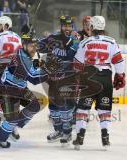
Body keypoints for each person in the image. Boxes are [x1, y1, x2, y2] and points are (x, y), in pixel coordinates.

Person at [0, 33, 59, 148]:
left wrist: (43, 65)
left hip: (18, 89)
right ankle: (1, 138)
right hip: (7, 91)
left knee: (35, 104)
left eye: (35, 46)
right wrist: (48, 70)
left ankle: (12, 125)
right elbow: (34, 78)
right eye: (31, 46)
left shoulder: (23, 53)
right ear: (24, 45)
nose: (34, 48)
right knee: (12, 119)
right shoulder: (22, 58)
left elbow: (33, 67)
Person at [72, 16, 125, 149]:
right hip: (105, 78)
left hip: (89, 77)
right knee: (104, 109)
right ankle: (105, 137)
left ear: (92, 27)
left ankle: (80, 136)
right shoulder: (112, 42)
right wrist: (120, 76)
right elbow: (119, 62)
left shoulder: (85, 42)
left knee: (83, 108)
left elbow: (77, 64)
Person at [38, 15, 79, 145]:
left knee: (65, 107)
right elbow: (40, 46)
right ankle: (59, 130)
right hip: (53, 78)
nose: (67, 28)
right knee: (53, 107)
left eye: (70, 26)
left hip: (68, 78)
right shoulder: (53, 37)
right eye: (65, 26)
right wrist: (34, 40)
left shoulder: (75, 40)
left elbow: (69, 55)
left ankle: (67, 133)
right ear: (61, 26)